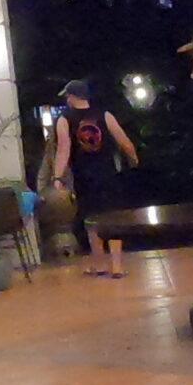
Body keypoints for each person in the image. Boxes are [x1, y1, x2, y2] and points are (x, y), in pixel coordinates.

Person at [44, 80, 139, 278]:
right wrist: (134, 160)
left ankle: (100, 264)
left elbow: (63, 149)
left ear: (72, 96)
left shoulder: (65, 119)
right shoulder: (105, 115)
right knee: (114, 218)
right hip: (108, 174)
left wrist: (57, 177)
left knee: (91, 220)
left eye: (67, 96)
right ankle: (117, 266)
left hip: (84, 177)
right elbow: (124, 142)